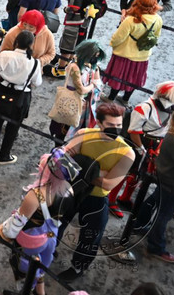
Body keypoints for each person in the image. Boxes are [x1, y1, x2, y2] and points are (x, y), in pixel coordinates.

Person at [56, 102, 134, 281]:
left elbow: (108, 185)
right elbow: (62, 163)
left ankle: (78, 268)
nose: (116, 130)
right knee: (56, 221)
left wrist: (81, 164)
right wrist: (97, 172)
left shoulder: (127, 152)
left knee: (91, 236)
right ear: (99, 123)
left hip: (96, 198)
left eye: (119, 126)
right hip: (73, 190)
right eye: (111, 126)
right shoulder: (84, 134)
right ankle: (48, 249)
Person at [0, 149, 80, 295]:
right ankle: (40, 292)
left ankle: (27, 290)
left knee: (27, 266)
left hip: (32, 238)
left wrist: (0, 232)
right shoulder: (69, 189)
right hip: (52, 235)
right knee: (42, 264)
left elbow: (16, 225)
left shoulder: (35, 196)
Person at [113, 81, 174, 217]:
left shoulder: (171, 110)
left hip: (155, 146)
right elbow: (133, 131)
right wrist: (140, 149)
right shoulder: (144, 108)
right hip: (137, 144)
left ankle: (125, 198)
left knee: (139, 175)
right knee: (125, 172)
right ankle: (110, 200)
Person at [130, 107, 174, 264]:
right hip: (172, 184)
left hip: (165, 179)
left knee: (153, 202)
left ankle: (139, 224)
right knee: (163, 216)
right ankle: (155, 248)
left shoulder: (173, 136)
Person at [0, 30, 42, 164]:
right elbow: (37, 82)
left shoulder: (4, 55)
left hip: (1, 92)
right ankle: (4, 155)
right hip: (20, 97)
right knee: (13, 128)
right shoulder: (35, 63)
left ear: (16, 42)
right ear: (31, 45)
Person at [104, 0, 162, 105]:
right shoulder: (158, 19)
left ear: (136, 3)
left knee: (119, 76)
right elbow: (156, 36)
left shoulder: (130, 20)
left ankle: (111, 98)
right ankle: (125, 99)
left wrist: (112, 44)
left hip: (124, 54)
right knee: (133, 79)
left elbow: (118, 38)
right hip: (143, 56)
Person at [51, 0, 96, 77]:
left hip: (74, 22)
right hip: (83, 22)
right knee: (75, 46)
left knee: (66, 47)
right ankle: (68, 64)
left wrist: (66, 9)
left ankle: (60, 69)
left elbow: (74, 7)